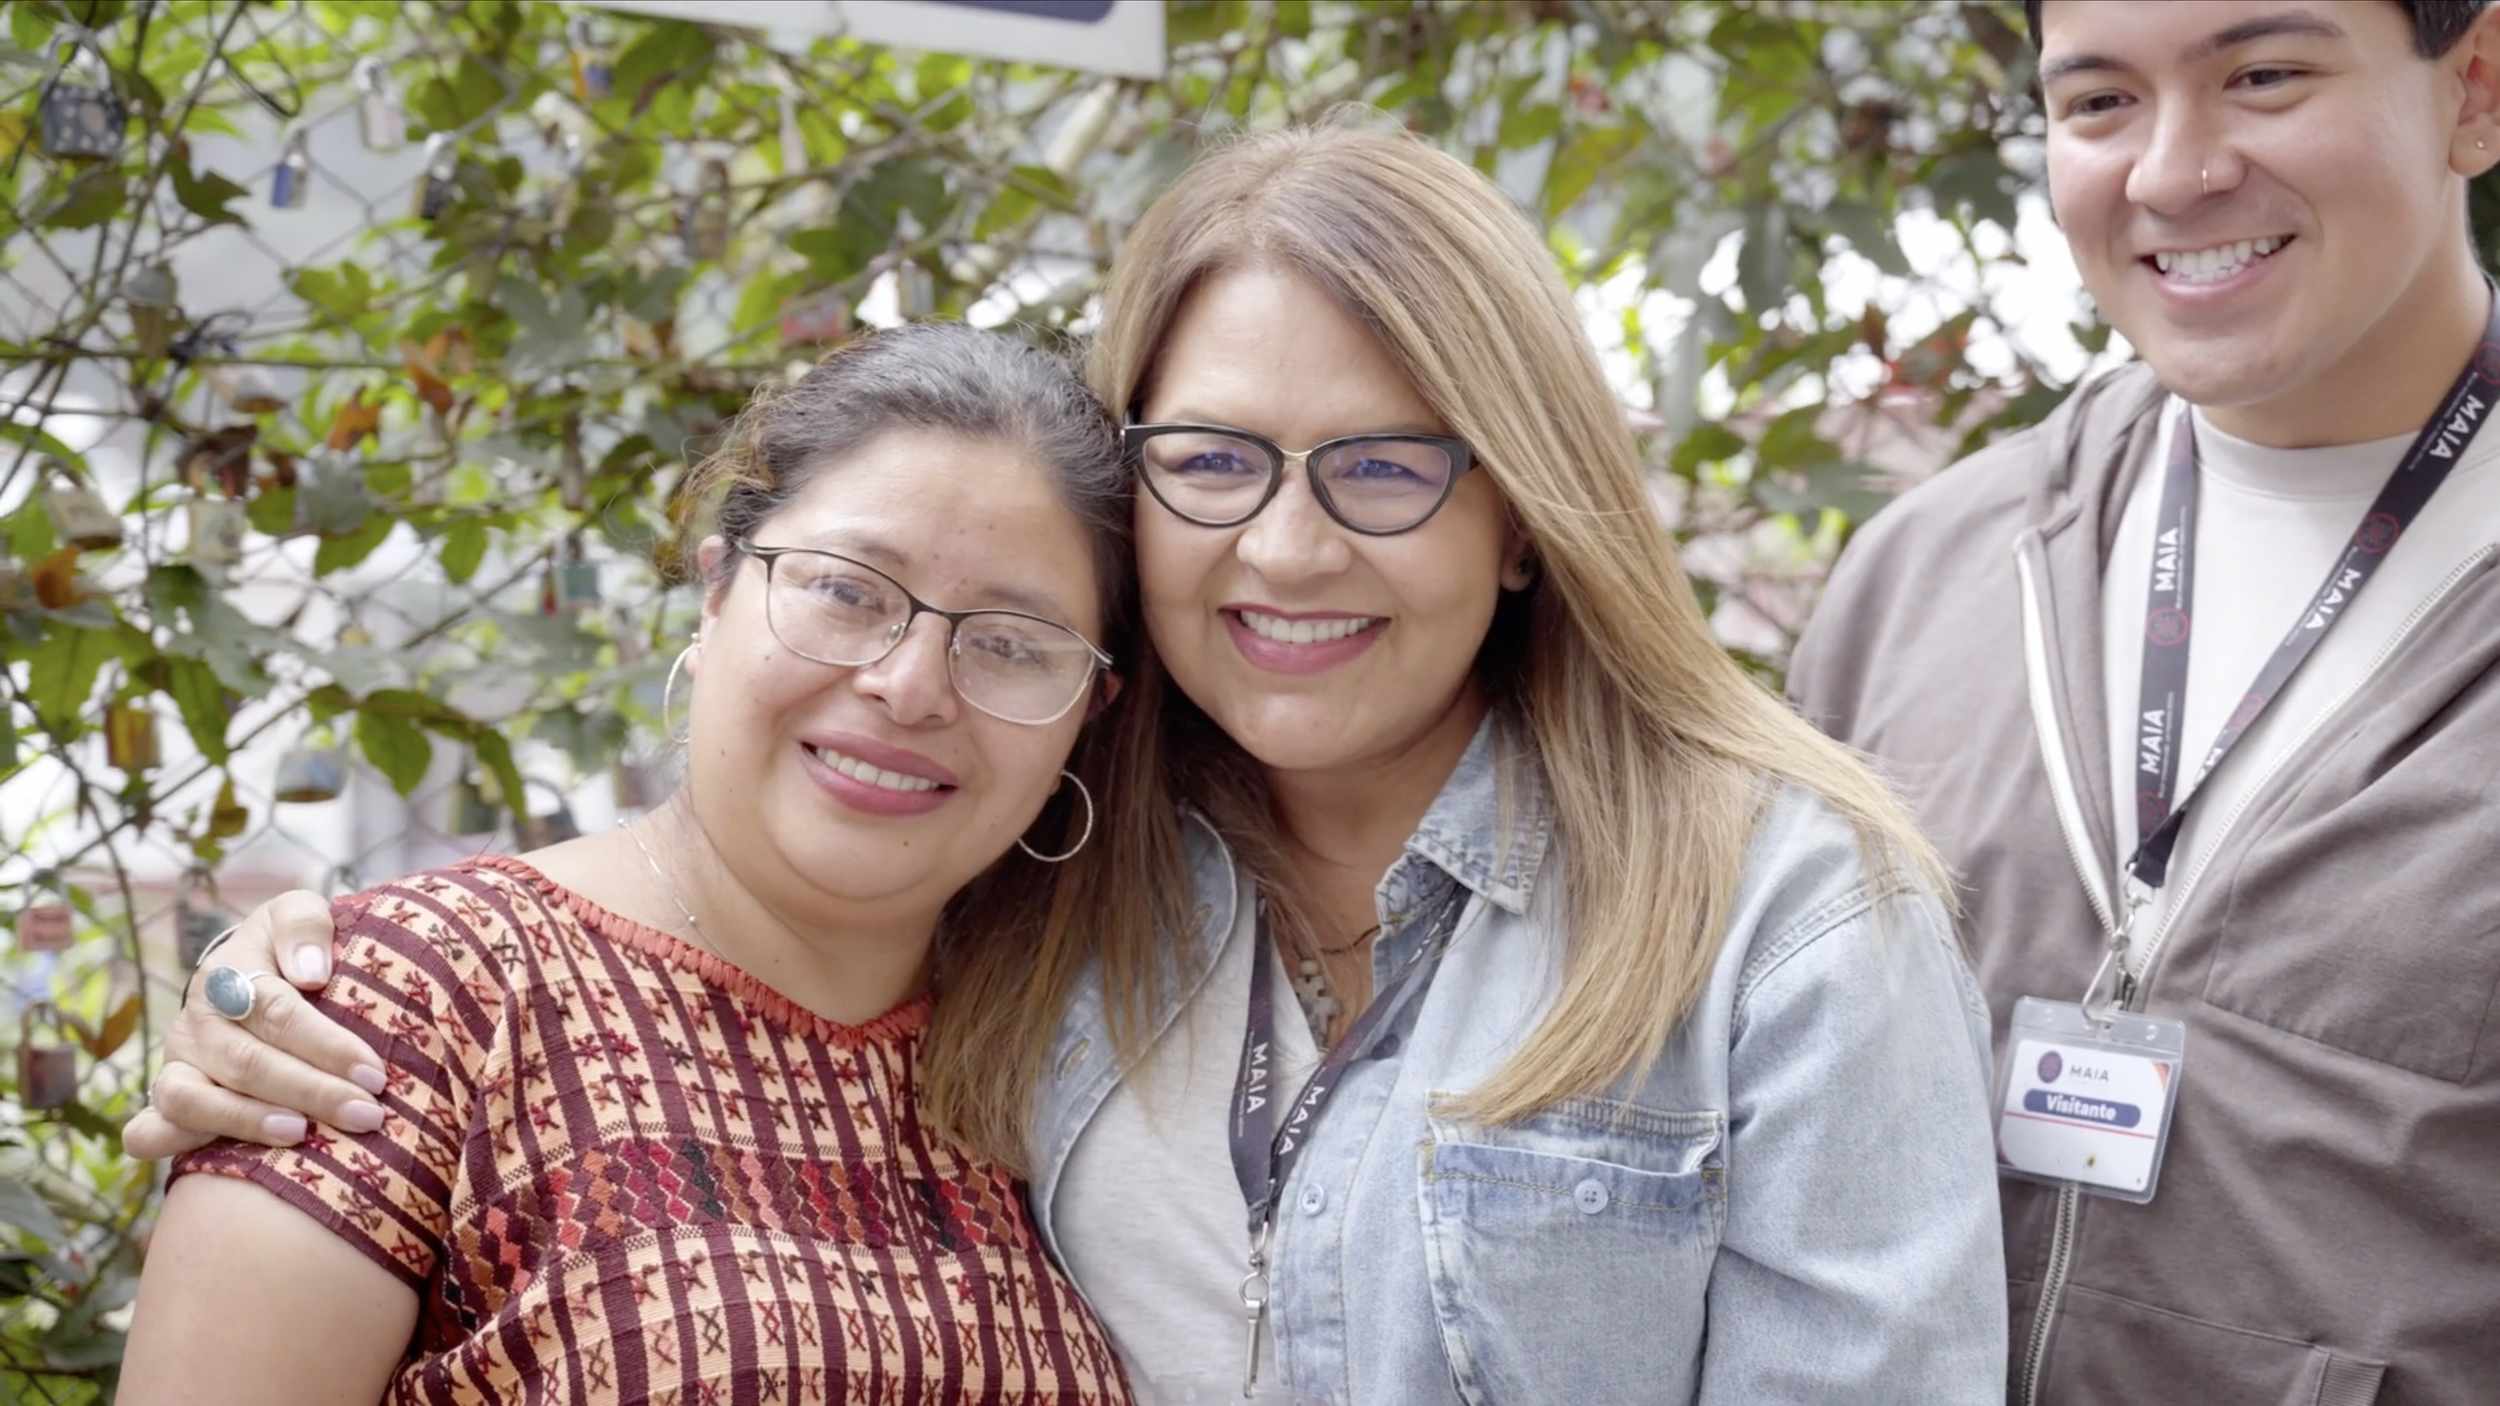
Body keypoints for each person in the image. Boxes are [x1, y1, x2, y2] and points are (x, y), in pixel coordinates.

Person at [130, 122, 2008, 1402]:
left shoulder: (1781, 913)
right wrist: (283, 992)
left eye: (1383, 466)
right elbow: (708, 916)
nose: (1285, 547)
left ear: (1522, 512)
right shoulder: (1064, 878)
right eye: (1210, 460)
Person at [119, 323, 1138, 1404]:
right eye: (846, 589)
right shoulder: (411, 1000)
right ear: (715, 594)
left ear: (1089, 713)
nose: (911, 682)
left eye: (1013, 642)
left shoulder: (1088, 1059)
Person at [1783, 2, 2500, 1402]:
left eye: (2265, 76)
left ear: (2472, 89)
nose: (2172, 173)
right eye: (2100, 103)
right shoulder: (1928, 573)